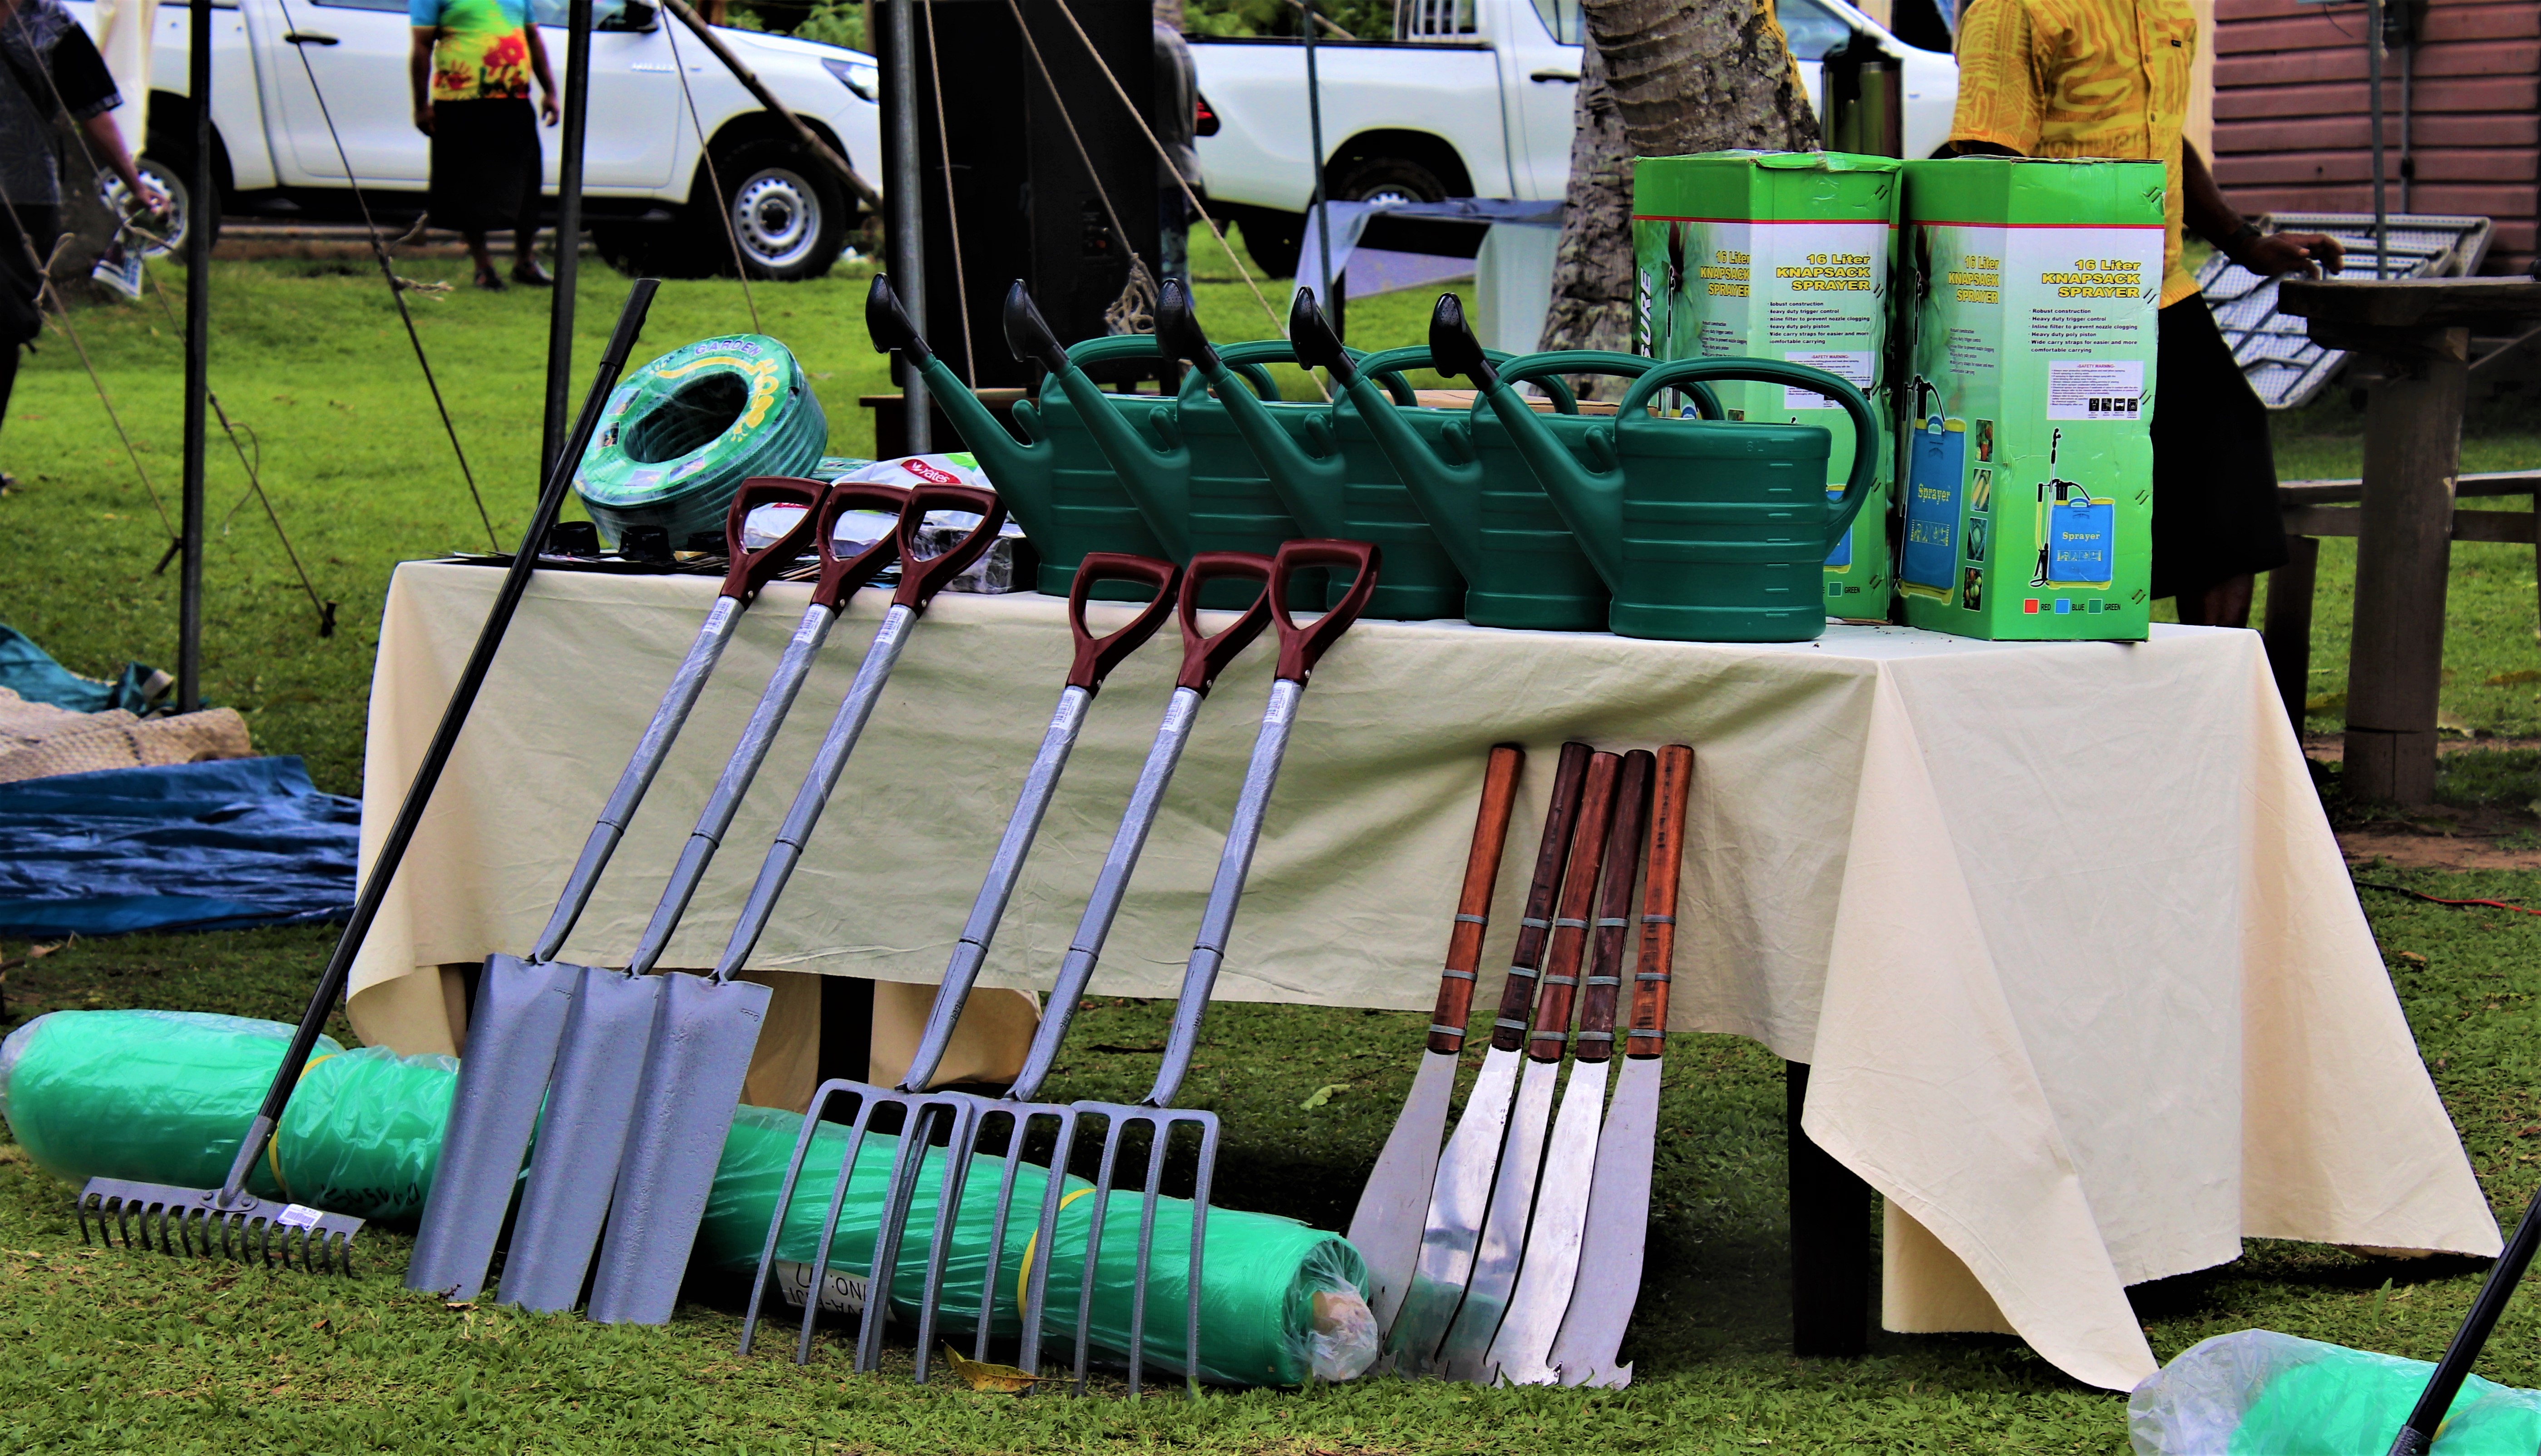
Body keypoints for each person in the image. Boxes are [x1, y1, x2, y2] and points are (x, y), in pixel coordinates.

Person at [1946, 0, 2343, 628]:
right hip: (2062, 300)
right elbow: (1983, 159)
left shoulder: (2163, 7)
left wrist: (2242, 241)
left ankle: (2206, 693)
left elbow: (2161, 134)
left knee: (2226, 471)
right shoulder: (2016, 8)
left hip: (2160, 287)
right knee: (2062, 495)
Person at [0, 0, 163, 486]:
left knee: (7, 325)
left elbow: (94, 111)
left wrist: (134, 184)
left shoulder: (50, 21)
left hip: (26, 198)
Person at [409, 0, 559, 291]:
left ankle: (525, 262)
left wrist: (550, 91)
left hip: (513, 102)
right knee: (469, 186)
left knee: (526, 183)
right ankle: (484, 267)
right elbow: (422, 45)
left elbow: (532, 38)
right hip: (460, 103)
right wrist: (420, 105)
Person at [1153, 20, 1201, 290]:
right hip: (1178, 164)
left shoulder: (1147, 42)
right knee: (1174, 276)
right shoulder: (1169, 36)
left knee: (1169, 284)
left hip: (1160, 170)